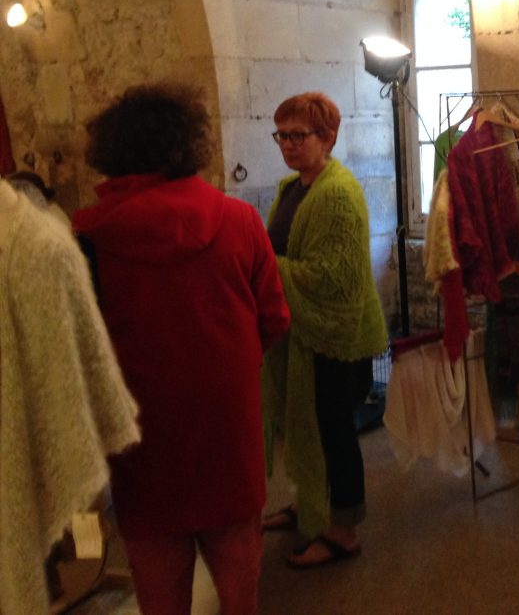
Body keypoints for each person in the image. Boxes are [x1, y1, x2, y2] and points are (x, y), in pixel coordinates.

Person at [71, 82, 291, 615]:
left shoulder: (86, 239)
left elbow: (78, 351)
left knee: (161, 601)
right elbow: (274, 318)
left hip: (143, 444)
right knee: (240, 598)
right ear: (188, 144)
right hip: (227, 437)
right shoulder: (240, 221)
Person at [260, 92, 388, 569]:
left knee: (334, 433)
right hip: (302, 334)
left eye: (299, 135)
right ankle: (310, 503)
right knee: (306, 428)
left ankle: (344, 531)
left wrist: (262, 264)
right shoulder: (292, 188)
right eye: (282, 135)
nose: (288, 145)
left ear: (328, 137)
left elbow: (331, 278)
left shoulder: (337, 193)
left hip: (336, 337)